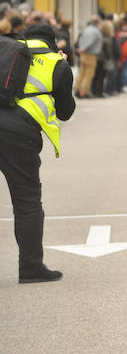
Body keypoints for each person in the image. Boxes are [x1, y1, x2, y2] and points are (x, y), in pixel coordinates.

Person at [0, 24, 76, 283]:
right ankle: (31, 267)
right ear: (53, 42)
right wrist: (65, 72)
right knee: (27, 202)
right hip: (18, 134)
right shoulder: (56, 63)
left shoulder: (5, 52)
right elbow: (65, 111)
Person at [75, 17, 102, 98]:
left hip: (83, 54)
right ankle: (83, 92)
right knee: (88, 74)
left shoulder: (86, 29)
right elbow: (91, 41)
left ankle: (78, 89)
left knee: (81, 72)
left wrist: (81, 48)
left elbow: (80, 39)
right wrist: (83, 48)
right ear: (97, 23)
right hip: (90, 55)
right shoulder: (95, 31)